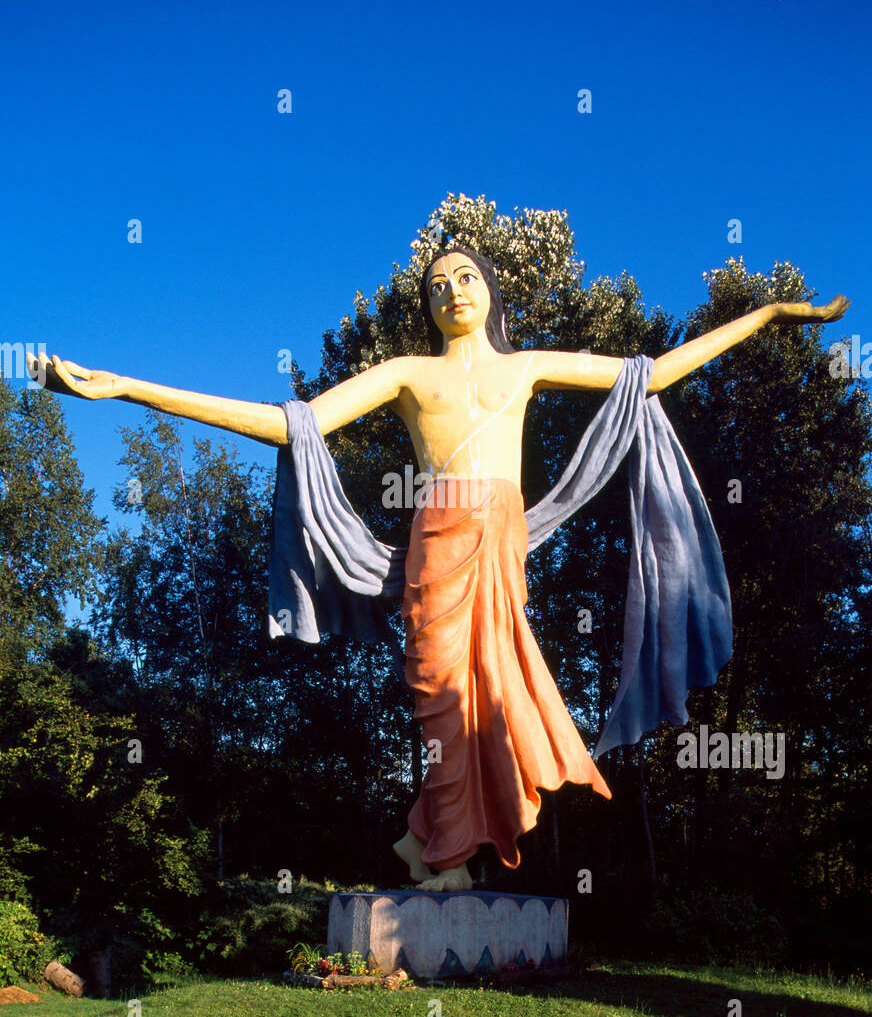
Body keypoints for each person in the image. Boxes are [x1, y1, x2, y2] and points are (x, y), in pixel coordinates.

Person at [30, 247, 847, 890]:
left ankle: (432, 847)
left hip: (500, 546)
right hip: (436, 545)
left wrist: (764, 314)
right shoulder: (408, 376)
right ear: (426, 307)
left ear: (490, 292)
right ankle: (444, 854)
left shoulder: (526, 365)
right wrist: (131, 390)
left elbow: (650, 376)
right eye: (437, 283)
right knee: (437, 700)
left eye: (466, 276)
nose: (453, 288)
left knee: (486, 700)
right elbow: (293, 427)